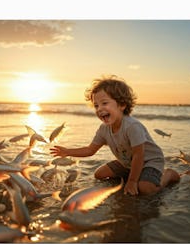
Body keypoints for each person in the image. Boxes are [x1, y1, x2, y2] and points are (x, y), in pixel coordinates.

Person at [50, 75, 180, 196]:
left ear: (122, 105)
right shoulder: (103, 129)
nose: (99, 109)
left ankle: (167, 175)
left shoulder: (132, 126)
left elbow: (138, 155)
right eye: (96, 105)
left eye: (104, 103)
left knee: (145, 189)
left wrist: (132, 181)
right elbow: (90, 150)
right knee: (99, 174)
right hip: (128, 162)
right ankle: (132, 173)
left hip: (149, 161)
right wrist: (67, 152)